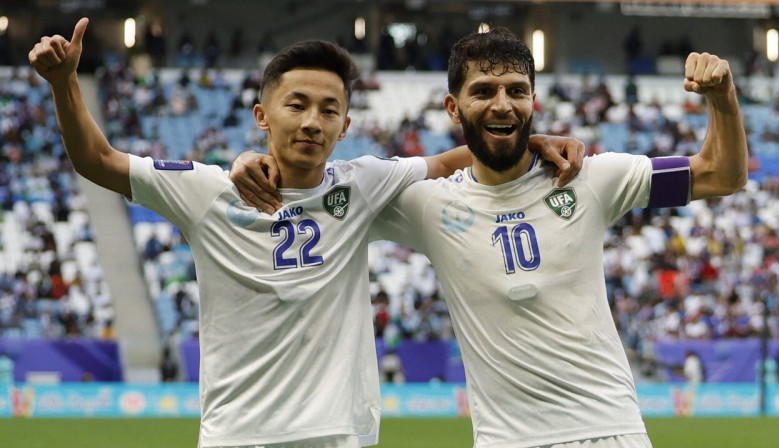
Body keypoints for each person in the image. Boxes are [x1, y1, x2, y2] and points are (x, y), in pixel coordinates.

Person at [29, 19, 583, 448]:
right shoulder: (206, 191)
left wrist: (531, 141)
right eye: (296, 105)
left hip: (339, 433)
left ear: (346, 124)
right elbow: (97, 160)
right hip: (239, 435)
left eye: (329, 109)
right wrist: (64, 83)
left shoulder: (363, 184)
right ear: (262, 114)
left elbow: (453, 159)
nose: (312, 122)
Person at [236, 28, 747, 448]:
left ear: (533, 102)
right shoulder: (424, 204)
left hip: (606, 431)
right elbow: (319, 182)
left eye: (516, 92)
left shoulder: (590, 177)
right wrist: (248, 161)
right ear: (453, 109)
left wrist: (721, 97)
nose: (502, 104)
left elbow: (721, 175)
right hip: (502, 440)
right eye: (483, 92)